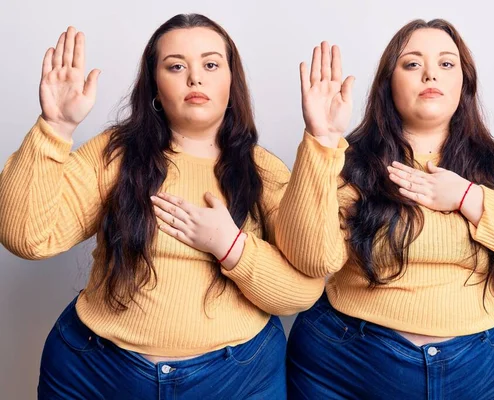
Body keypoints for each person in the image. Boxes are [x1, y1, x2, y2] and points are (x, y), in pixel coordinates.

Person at [0, 13, 323, 399]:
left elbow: (304, 291)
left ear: (230, 81)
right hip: (96, 373)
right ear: (154, 84)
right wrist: (54, 127)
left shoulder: (263, 171)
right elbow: (26, 238)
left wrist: (230, 246)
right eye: (175, 66)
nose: (194, 78)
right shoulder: (114, 154)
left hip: (234, 380)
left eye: (210, 64)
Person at [277, 19, 494, 399]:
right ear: (388, 84)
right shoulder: (347, 162)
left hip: (488, 370)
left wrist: (468, 198)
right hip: (351, 363)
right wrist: (321, 142)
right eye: (411, 64)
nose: (429, 74)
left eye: (446, 64)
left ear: (464, 84)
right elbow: (310, 260)